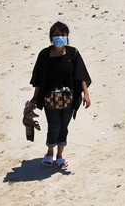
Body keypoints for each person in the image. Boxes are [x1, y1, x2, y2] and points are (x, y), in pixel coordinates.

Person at [29, 21, 92, 168]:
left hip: (69, 98)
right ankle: (50, 152)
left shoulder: (73, 53)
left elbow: (81, 75)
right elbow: (39, 79)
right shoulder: (44, 55)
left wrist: (86, 94)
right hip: (49, 98)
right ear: (51, 37)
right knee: (54, 126)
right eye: (56, 35)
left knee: (64, 126)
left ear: (67, 36)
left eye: (62, 35)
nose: (59, 38)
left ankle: (60, 156)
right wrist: (34, 97)